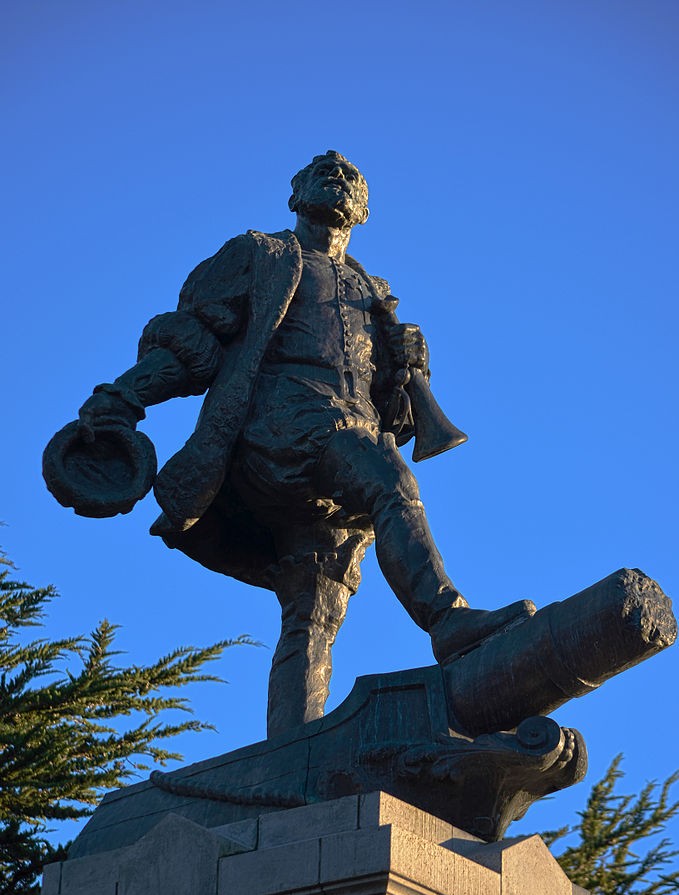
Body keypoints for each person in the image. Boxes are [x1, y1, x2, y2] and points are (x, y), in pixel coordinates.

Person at [78, 151, 535, 736]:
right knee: (392, 479)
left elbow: (394, 417)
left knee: (313, 612)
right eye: (323, 172)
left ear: (363, 209)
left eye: (349, 177)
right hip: (284, 427)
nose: (336, 176)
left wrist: (409, 370)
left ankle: (292, 747)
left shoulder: (375, 293)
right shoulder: (261, 254)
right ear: (295, 194)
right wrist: (123, 399)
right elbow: (193, 343)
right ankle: (448, 620)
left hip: (348, 447)